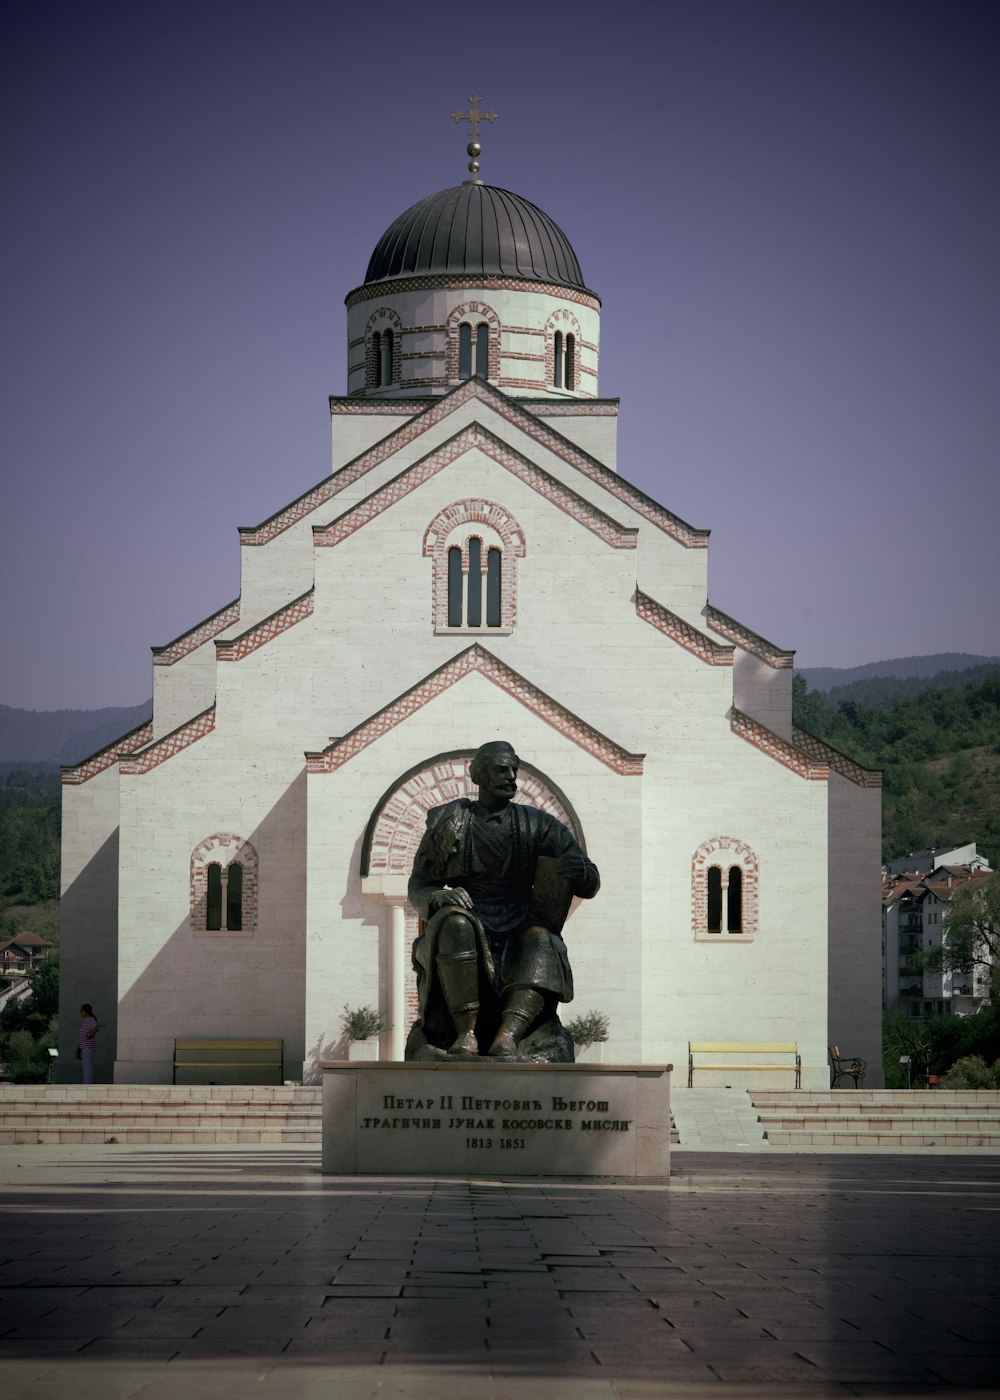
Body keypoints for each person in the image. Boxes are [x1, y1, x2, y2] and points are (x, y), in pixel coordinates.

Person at [407, 741, 600, 1061]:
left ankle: (507, 1036)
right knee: (455, 923)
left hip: (521, 922)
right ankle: (465, 1034)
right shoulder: (451, 821)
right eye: (501, 769)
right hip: (468, 916)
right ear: (479, 775)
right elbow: (420, 883)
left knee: (542, 938)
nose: (511, 776)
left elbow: (590, 880)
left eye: (514, 769)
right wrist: (438, 896)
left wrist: (579, 870)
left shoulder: (538, 824)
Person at [77, 1004, 99, 1084]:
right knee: (85, 1067)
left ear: (86, 1011)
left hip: (88, 1047)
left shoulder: (91, 1019)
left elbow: (97, 1027)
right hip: (84, 1048)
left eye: (81, 1010)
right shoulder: (86, 1021)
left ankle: (88, 1083)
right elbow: (81, 1037)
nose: (80, 1012)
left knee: (88, 1067)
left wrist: (90, 1034)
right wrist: (78, 1049)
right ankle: (86, 1082)